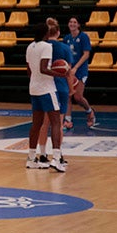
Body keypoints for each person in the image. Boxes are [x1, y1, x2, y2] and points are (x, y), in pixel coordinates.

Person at [25, 22, 69, 172]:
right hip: (47, 89)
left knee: (36, 124)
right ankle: (56, 159)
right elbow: (44, 69)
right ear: (46, 34)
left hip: (34, 88)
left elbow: (29, 71)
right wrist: (61, 73)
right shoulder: (47, 46)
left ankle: (31, 158)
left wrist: (35, 80)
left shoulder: (30, 47)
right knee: (56, 122)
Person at [35, 18, 75, 167]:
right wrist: (71, 89)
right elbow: (68, 72)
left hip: (44, 86)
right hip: (61, 87)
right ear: (58, 32)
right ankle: (57, 155)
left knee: (45, 123)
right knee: (58, 123)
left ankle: (43, 154)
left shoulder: (40, 47)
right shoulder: (64, 48)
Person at [62, 16, 96, 128]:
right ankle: (67, 120)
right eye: (70, 22)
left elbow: (86, 54)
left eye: (74, 22)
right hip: (69, 70)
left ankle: (89, 111)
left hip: (80, 70)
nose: (72, 24)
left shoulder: (84, 37)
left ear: (78, 25)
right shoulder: (66, 38)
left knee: (78, 97)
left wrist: (75, 67)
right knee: (67, 95)